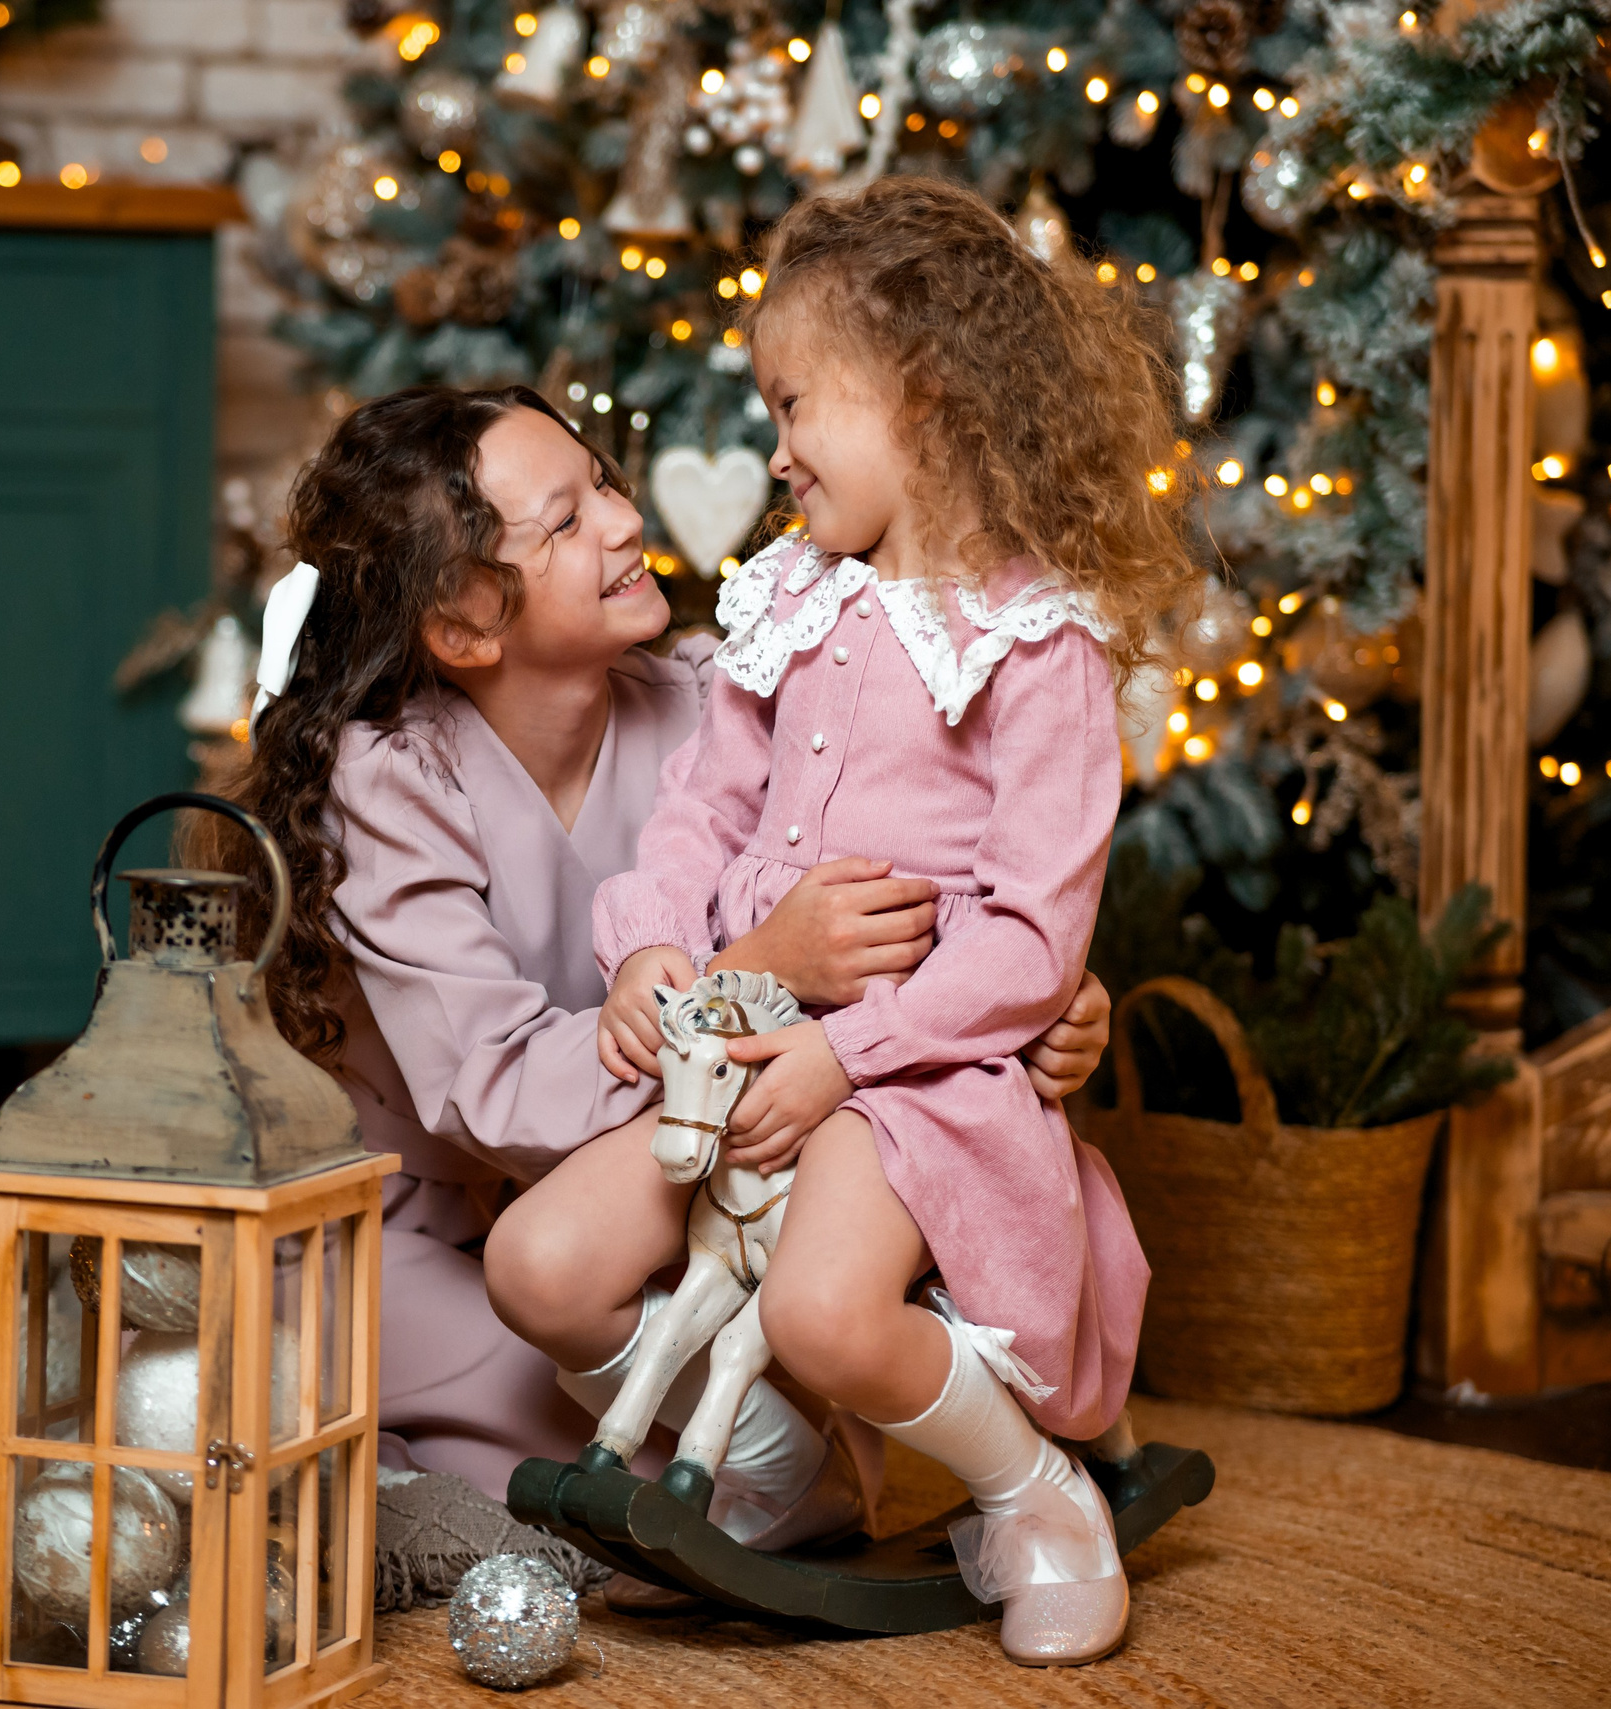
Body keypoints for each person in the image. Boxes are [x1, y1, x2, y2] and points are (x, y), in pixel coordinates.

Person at [483, 177, 1202, 1667]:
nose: (779, 443)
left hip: (916, 1079)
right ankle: (773, 1470)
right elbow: (702, 810)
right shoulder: (788, 600)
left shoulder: (1039, 644)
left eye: (798, 401)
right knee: (539, 1264)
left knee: (823, 1311)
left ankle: (1035, 1494)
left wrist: (849, 1057)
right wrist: (654, 946)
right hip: (745, 1044)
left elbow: (1029, 945)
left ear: (926, 400)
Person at [207, 382, 1115, 1529]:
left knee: (764, 1386)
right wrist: (765, 970)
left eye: (604, 483)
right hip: (412, 1227)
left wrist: (1046, 990)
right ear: (466, 622)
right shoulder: (390, 777)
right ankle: (743, 1460)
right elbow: (490, 1089)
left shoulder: (705, 695)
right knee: (641, 1478)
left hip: (667, 1187)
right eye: (566, 520)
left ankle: (778, 1450)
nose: (625, 519)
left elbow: (923, 870)